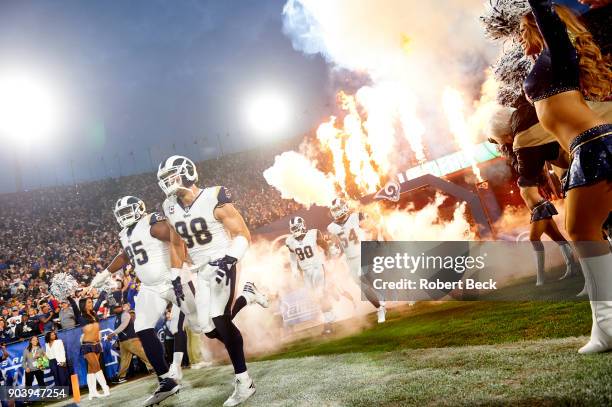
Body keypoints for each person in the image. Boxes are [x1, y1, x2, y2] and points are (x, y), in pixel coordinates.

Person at [521, 0, 612, 353]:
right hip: (588, 147)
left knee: (579, 231)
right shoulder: (546, 62)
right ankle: (605, 328)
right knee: (596, 232)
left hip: (594, 146)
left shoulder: (558, 53)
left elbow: (545, 15)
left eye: (521, 31)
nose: (518, 38)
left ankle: (606, 329)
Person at [158, 155, 268, 406]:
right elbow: (176, 243)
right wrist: (175, 274)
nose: (167, 183)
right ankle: (248, 295)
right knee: (206, 329)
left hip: (221, 261)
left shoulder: (213, 196)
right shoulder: (170, 207)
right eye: (164, 179)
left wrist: (230, 258)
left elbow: (242, 233)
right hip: (199, 270)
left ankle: (244, 381)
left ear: (187, 172)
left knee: (221, 319)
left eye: (171, 176)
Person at [89, 195, 201, 406]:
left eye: (126, 212)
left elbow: (177, 237)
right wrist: (104, 274)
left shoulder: (150, 221)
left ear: (139, 209)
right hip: (151, 288)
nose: (123, 216)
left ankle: (245, 299)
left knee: (203, 324)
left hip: (174, 281)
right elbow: (125, 255)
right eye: (120, 214)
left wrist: (191, 259)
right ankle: (166, 380)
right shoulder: (125, 233)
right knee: (142, 327)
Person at [489, 101, 581, 287]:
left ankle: (542, 277)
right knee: (563, 237)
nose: (507, 144)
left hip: (540, 208)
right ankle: (573, 267)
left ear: (507, 134)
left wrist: (510, 149)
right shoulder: (536, 125)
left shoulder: (524, 141)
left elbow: (527, 173)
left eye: (504, 140)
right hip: (543, 203)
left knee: (540, 238)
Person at [327, 198, 387, 322]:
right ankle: (380, 308)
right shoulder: (332, 227)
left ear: (344, 207)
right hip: (350, 259)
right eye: (334, 210)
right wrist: (334, 250)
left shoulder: (356, 217)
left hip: (362, 253)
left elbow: (374, 228)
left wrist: (373, 242)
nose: (336, 212)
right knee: (362, 287)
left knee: (363, 275)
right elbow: (336, 244)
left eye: (338, 209)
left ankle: (382, 292)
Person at [286, 216, 338, 333]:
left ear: (302, 225)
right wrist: (294, 270)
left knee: (320, 294)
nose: (294, 230)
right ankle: (330, 314)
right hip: (306, 272)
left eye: (296, 227)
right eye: (292, 228)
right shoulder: (290, 241)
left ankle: (328, 322)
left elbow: (325, 246)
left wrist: (329, 257)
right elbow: (293, 257)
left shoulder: (313, 233)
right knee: (314, 297)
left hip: (317, 268)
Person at [67, 293, 110, 399]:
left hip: (97, 344)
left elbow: (99, 301)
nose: (91, 303)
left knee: (91, 370)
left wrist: (102, 294)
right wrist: (69, 297)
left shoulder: (94, 313)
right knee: (97, 367)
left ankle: (92, 392)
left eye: (91, 302)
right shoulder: (79, 315)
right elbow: (73, 305)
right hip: (87, 345)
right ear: (84, 305)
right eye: (89, 302)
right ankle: (105, 388)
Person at [107, 302, 153, 384]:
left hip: (131, 339)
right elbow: (121, 330)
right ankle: (121, 376)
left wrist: (113, 333)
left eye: (119, 307)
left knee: (143, 354)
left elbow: (123, 325)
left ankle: (155, 367)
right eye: (116, 307)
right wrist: (117, 338)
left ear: (121, 307)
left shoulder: (125, 314)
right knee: (124, 360)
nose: (118, 308)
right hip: (123, 342)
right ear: (113, 309)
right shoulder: (117, 317)